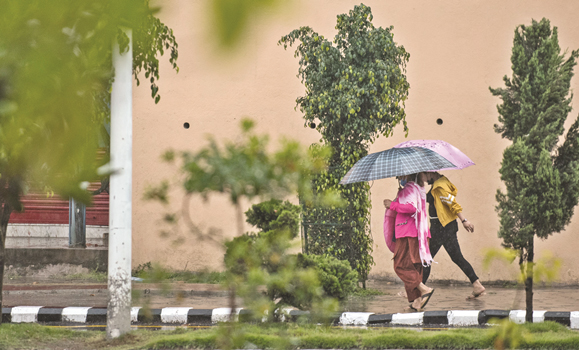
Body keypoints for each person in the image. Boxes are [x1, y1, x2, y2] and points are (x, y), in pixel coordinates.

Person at [422, 172, 486, 299]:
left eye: (424, 175)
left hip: (441, 228)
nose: (423, 179)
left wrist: (464, 220)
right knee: (457, 257)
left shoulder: (439, 187)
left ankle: (419, 291)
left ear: (430, 172)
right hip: (445, 227)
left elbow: (452, 203)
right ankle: (477, 284)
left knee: (426, 260)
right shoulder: (440, 182)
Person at [384, 172, 435, 311]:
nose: (399, 179)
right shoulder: (419, 188)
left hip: (407, 231)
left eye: (400, 176)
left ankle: (424, 289)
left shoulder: (409, 188)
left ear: (407, 176)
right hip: (418, 232)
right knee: (414, 266)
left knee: (400, 265)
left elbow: (411, 208)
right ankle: (416, 301)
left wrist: (392, 205)